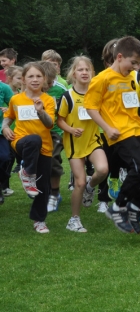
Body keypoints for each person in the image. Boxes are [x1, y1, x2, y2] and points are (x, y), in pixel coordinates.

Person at [85, 36, 140, 234]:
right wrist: (107, 128)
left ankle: (136, 205)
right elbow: (91, 107)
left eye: (139, 64)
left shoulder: (132, 79)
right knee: (139, 168)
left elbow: (133, 106)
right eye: (133, 62)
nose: (136, 67)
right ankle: (118, 206)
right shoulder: (101, 79)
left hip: (137, 129)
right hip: (119, 132)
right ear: (119, 57)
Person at [57, 56, 109, 232]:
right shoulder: (68, 96)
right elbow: (60, 120)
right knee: (78, 183)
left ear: (93, 73)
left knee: (102, 170)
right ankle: (74, 219)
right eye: (80, 70)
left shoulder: (97, 94)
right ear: (73, 74)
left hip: (93, 140)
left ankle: (90, 186)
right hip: (74, 143)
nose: (84, 72)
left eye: (88, 69)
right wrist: (71, 130)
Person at [2, 62, 56, 233]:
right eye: (31, 76)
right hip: (21, 142)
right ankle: (27, 172)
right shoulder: (16, 99)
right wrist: (4, 127)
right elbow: (9, 116)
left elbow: (50, 124)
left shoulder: (48, 100)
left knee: (43, 186)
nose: (35, 79)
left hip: (44, 147)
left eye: (38, 76)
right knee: (33, 140)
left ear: (44, 79)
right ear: (23, 79)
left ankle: (39, 220)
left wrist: (40, 111)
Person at [40, 60, 68, 213]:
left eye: (51, 82)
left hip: (56, 131)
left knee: (53, 160)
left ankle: (55, 194)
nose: (49, 86)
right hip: (35, 133)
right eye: (47, 83)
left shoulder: (60, 90)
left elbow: (65, 113)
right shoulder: (30, 91)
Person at [0, 77, 14, 203]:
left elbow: (14, 105)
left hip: (0, 130)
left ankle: (3, 179)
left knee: (5, 157)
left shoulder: (4, 87)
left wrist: (7, 110)